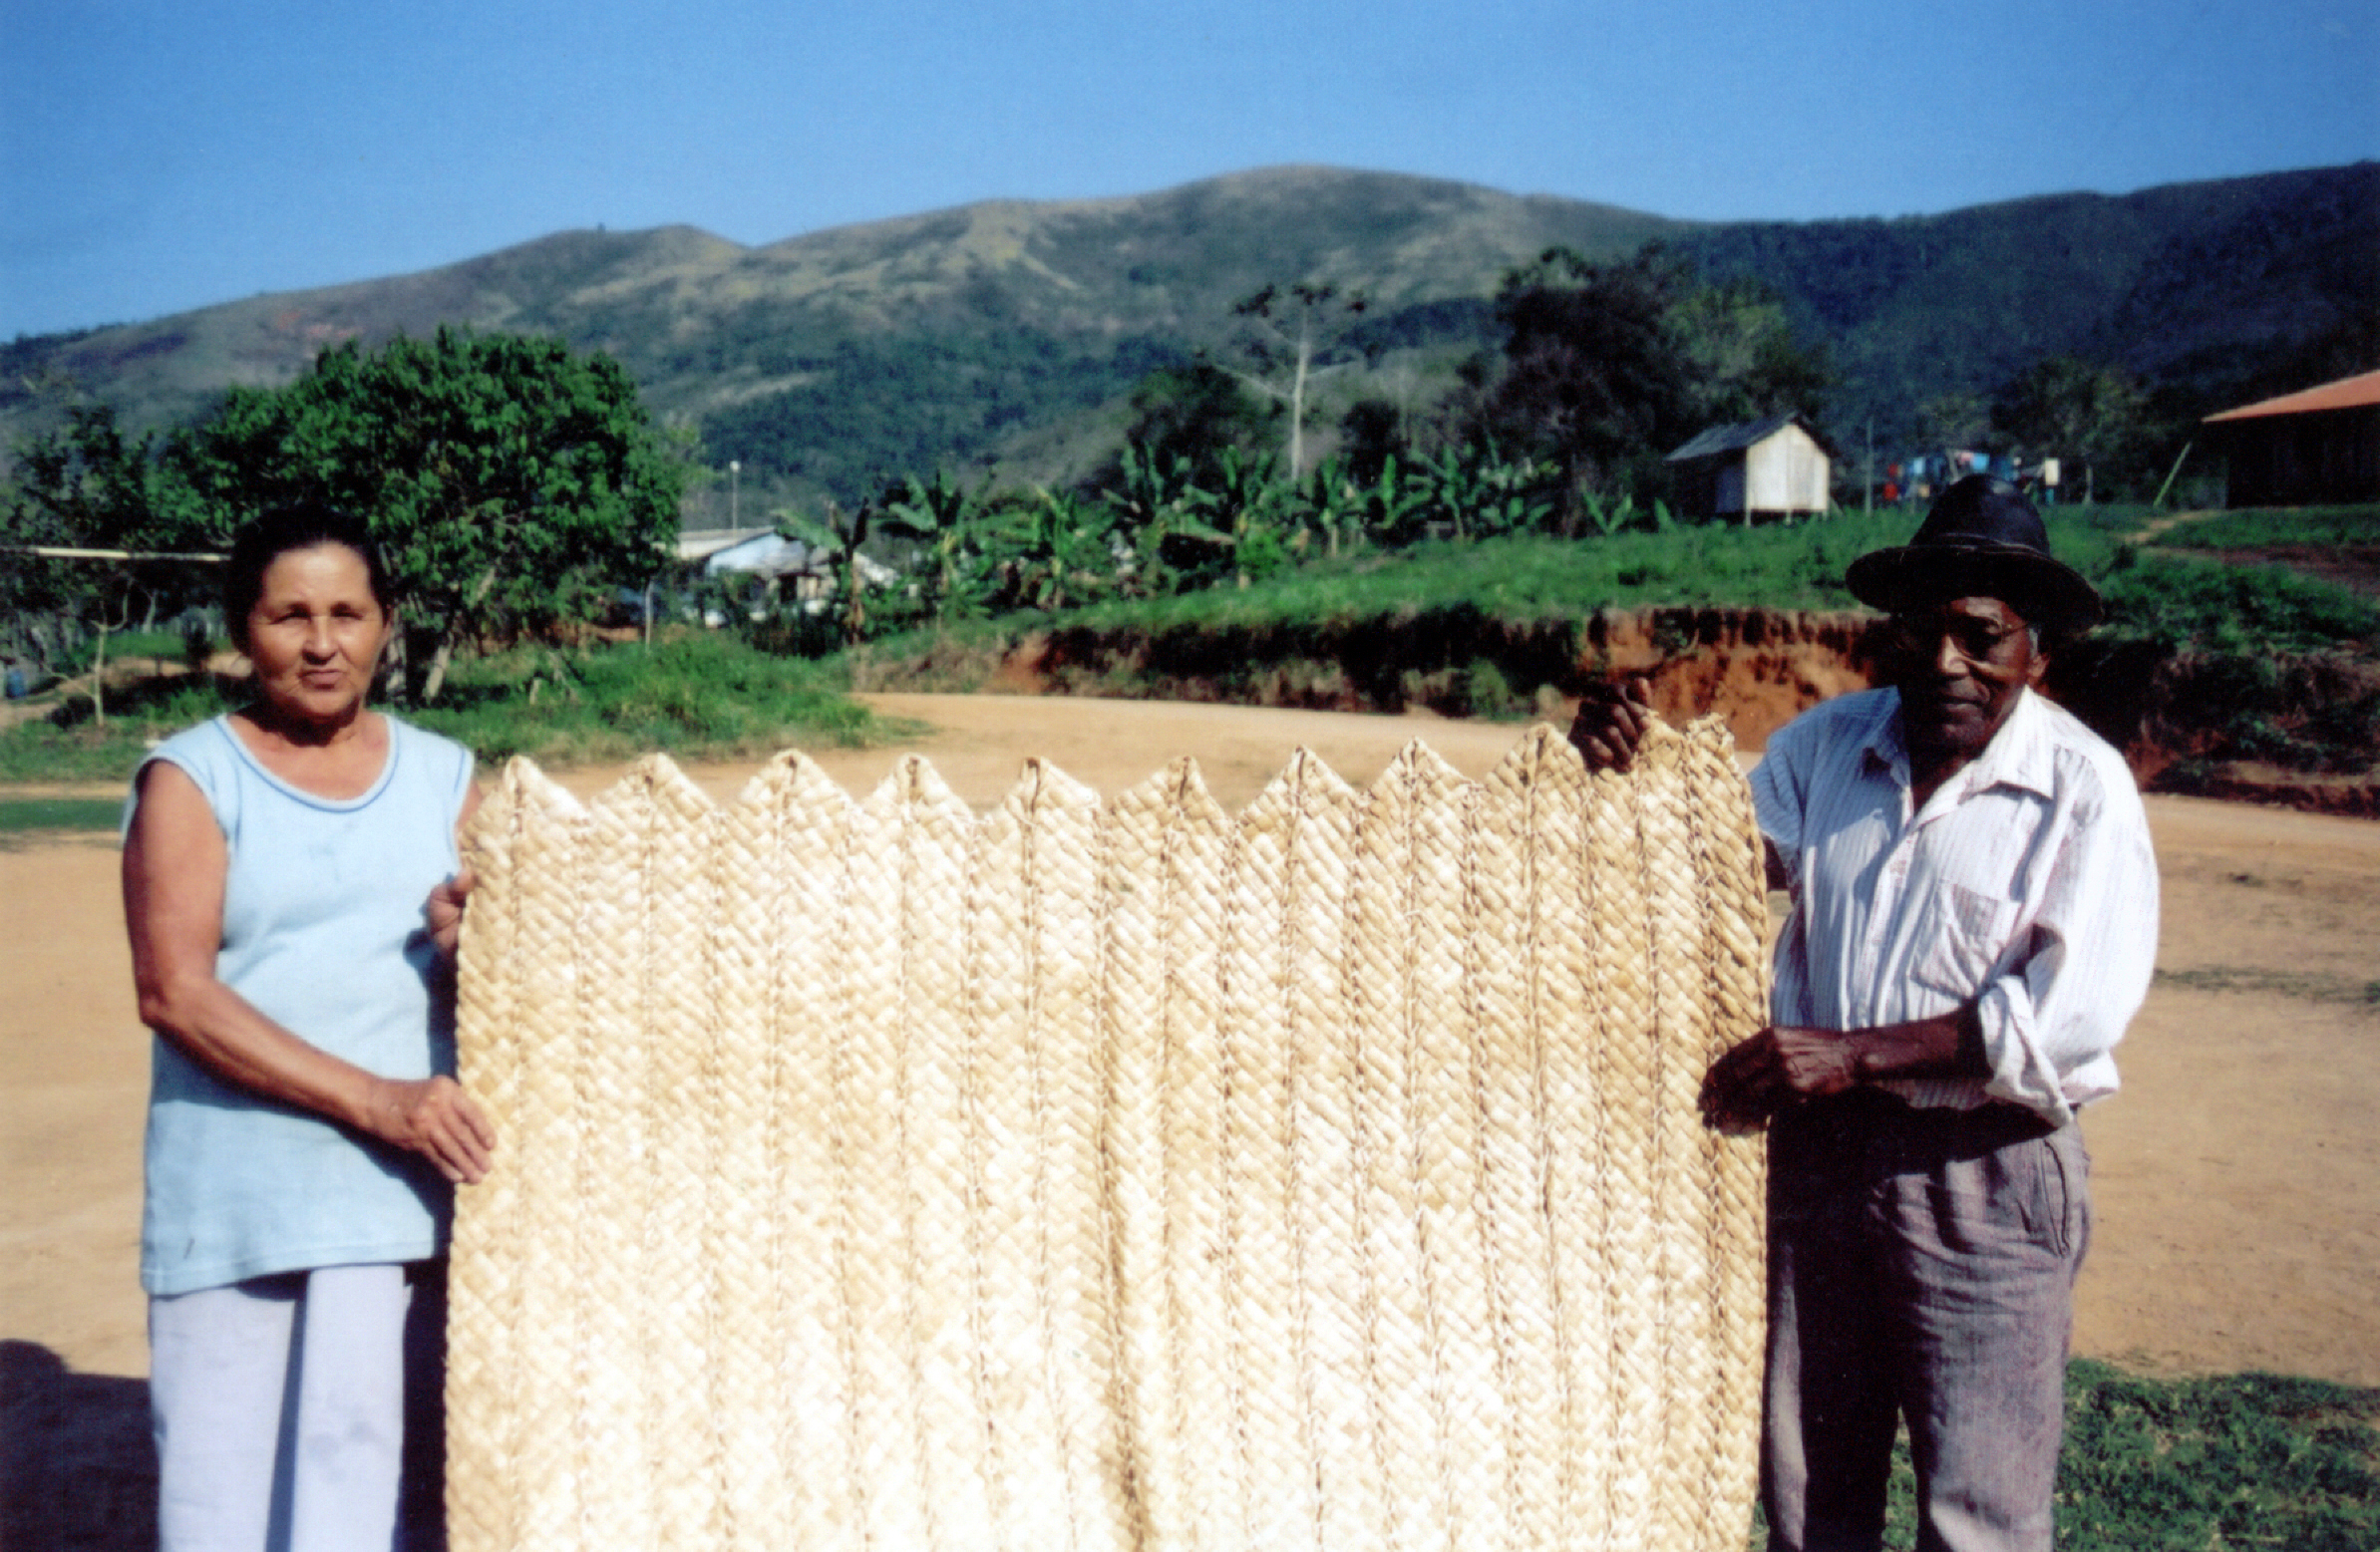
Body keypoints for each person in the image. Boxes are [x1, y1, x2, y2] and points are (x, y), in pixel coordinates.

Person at [1569, 473, 2158, 1552]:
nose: (1946, 664)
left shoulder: (2081, 788)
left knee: (1976, 1511)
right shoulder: (1823, 749)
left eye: (1979, 636)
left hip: (1982, 1169)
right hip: (1820, 1165)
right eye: (1921, 632)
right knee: (1807, 1492)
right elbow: (1696, 866)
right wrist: (1616, 768)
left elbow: (2064, 1020)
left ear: (2037, 652)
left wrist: (1852, 1055)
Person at [122, 503, 497, 1551]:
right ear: (245, 632)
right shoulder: (192, 778)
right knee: (225, 1506)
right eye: (291, 615)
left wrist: (480, 938)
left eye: (348, 612)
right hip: (241, 1207)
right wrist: (380, 1101)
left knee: (375, 1501)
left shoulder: (446, 777)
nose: (323, 642)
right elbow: (177, 994)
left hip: (405, 1210)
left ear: (385, 625)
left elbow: (515, 969)